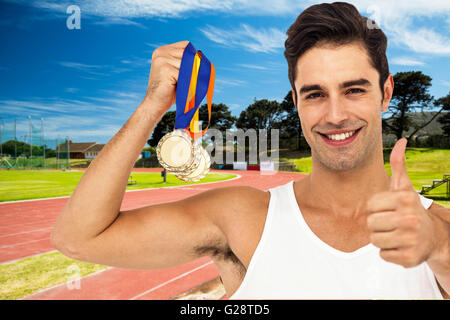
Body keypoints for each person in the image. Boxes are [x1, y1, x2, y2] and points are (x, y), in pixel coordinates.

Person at [50, 2, 450, 299]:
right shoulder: (242, 217)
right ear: (296, 102)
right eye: (314, 94)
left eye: (354, 89)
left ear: (386, 92)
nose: (334, 114)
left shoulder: (441, 229)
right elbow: (79, 238)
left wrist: (437, 246)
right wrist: (153, 104)